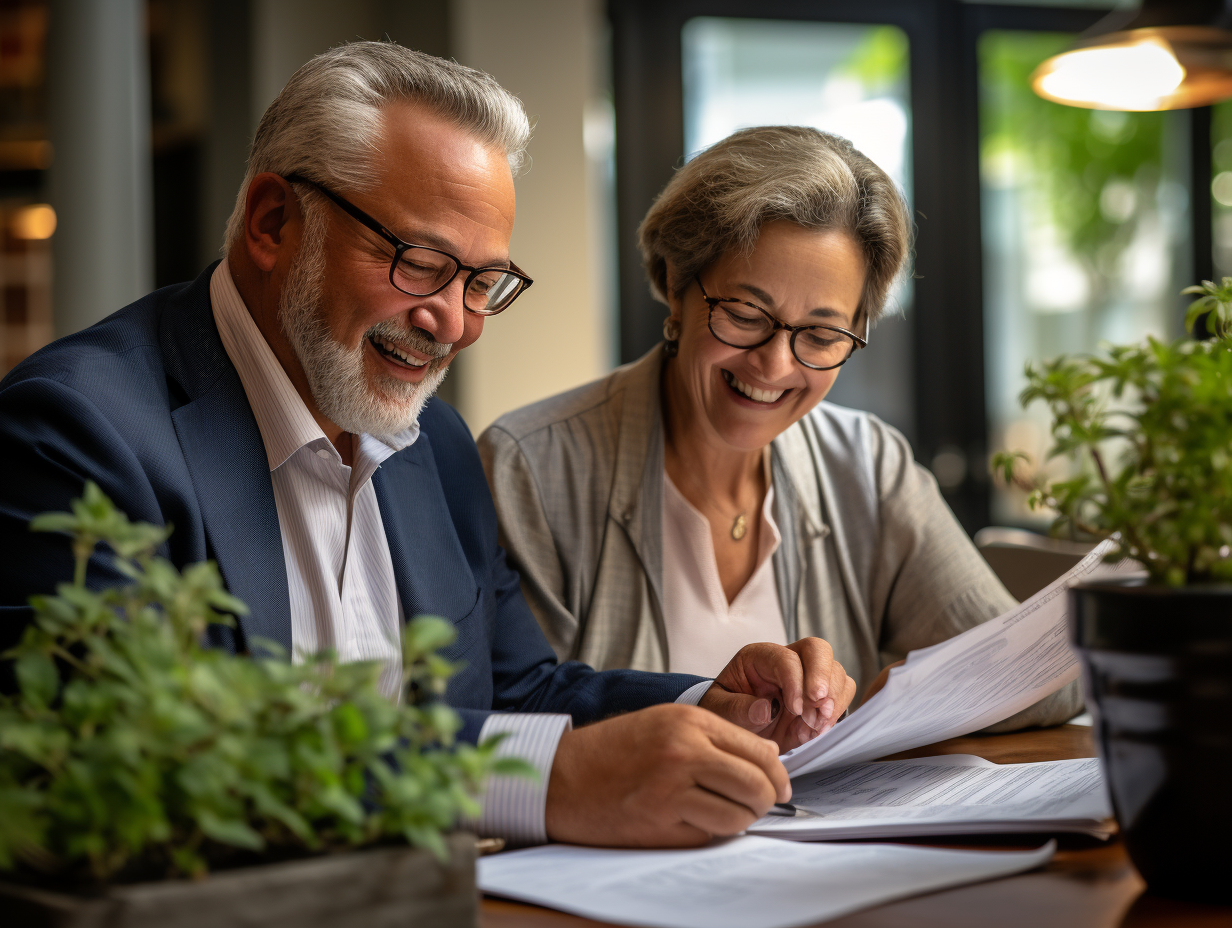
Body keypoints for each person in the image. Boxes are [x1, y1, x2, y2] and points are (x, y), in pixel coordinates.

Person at [0, 44, 858, 849]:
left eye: (484, 282)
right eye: (419, 263)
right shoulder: (75, 430)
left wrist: (714, 703)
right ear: (271, 221)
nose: (456, 324)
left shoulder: (434, 440)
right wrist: (543, 784)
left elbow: (517, 693)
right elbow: (136, 759)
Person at [479, 126, 1080, 729]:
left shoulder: (868, 468)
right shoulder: (531, 467)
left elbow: (1042, 676)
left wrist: (886, 700)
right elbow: (510, 716)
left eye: (821, 335)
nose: (774, 365)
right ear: (674, 285)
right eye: (744, 315)